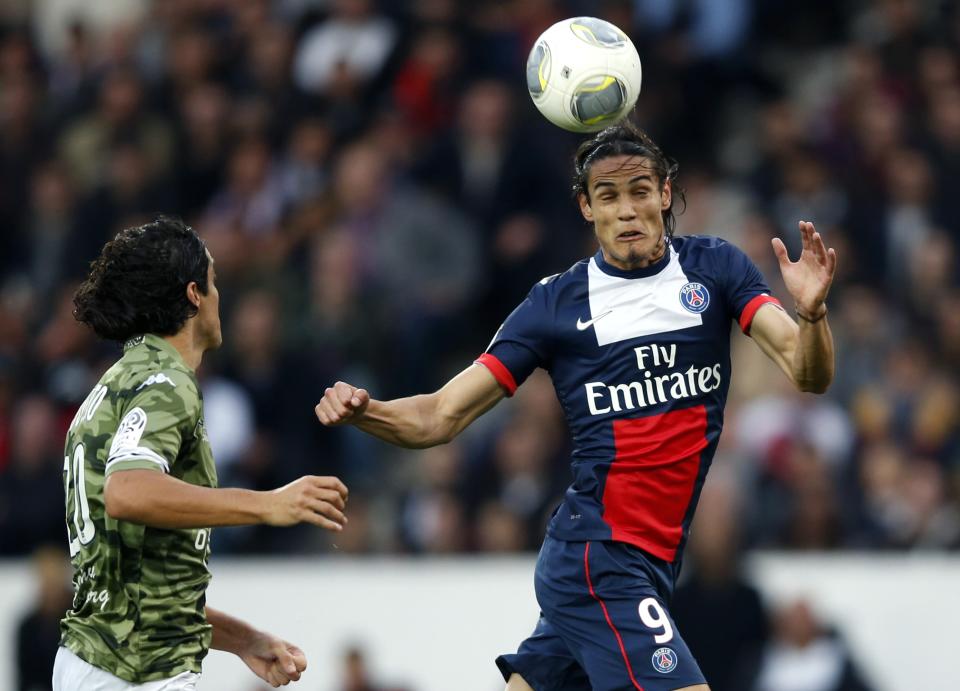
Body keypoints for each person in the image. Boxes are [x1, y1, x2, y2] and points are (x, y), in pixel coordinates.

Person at [316, 121, 836, 691]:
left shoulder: (716, 269)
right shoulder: (555, 305)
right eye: (608, 196)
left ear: (665, 194)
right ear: (587, 208)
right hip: (601, 559)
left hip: (647, 561)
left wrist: (810, 315)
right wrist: (367, 410)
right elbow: (441, 415)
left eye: (640, 191)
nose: (628, 209)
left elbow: (808, 374)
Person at [55, 217, 350, 690]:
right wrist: (269, 503)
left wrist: (243, 640)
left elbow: (137, 586)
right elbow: (127, 491)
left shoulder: (111, 387)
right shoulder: (168, 383)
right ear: (194, 294)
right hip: (140, 673)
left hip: (96, 661)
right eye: (213, 282)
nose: (219, 297)